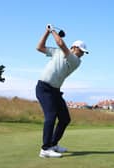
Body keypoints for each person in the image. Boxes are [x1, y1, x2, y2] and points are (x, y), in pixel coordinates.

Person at [35, 24, 89, 158]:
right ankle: (45, 149)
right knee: (51, 116)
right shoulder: (58, 52)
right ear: (74, 47)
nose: (82, 54)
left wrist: (52, 29)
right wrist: (47, 32)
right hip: (44, 88)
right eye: (80, 51)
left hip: (55, 91)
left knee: (65, 119)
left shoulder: (75, 60)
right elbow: (39, 48)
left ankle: (53, 144)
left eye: (83, 52)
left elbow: (60, 43)